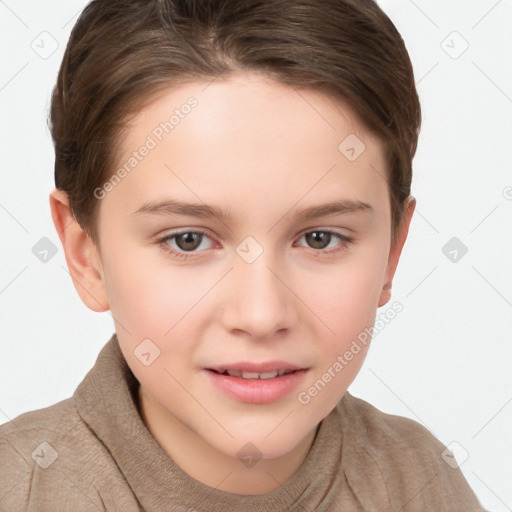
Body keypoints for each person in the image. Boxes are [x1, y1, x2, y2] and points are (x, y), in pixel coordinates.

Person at [0, 0, 487, 510]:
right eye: (187, 240)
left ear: (392, 252)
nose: (261, 315)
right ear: (87, 255)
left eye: (321, 238)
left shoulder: (423, 484)